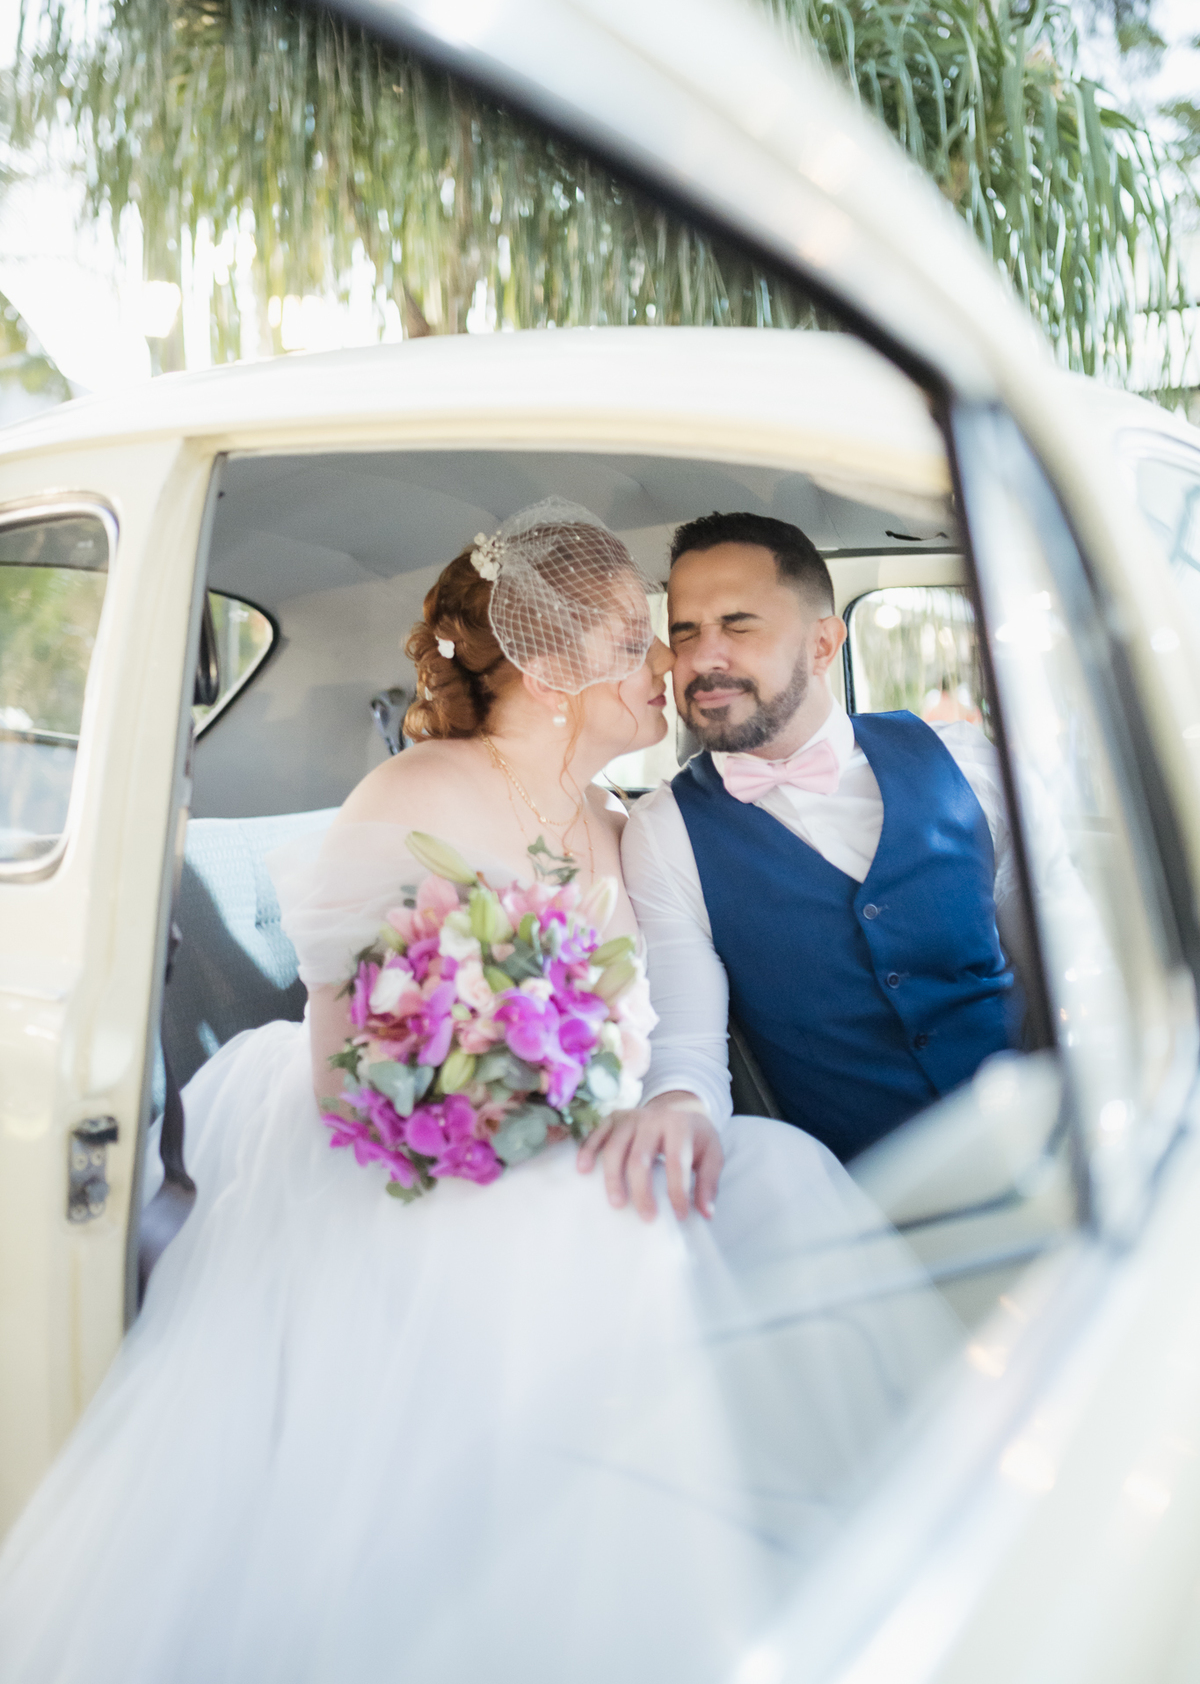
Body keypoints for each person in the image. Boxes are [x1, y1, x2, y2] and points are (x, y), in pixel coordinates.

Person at [0, 501, 954, 1684]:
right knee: (590, 1227)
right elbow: (347, 1075)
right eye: (634, 640)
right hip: (410, 1145)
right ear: (550, 670)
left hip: (572, 1126)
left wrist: (642, 1109)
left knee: (783, 1170)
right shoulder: (415, 799)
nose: (664, 665)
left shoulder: (625, 823)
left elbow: (661, 1031)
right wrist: (504, 1118)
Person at [621, 509, 1079, 1178]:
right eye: (685, 630)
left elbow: (1068, 954)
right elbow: (687, 1041)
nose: (701, 658)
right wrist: (680, 1110)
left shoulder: (968, 763)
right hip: (856, 1192)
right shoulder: (664, 831)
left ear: (822, 644)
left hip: (1046, 1152)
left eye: (738, 625)